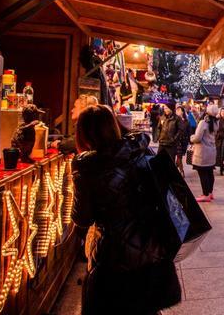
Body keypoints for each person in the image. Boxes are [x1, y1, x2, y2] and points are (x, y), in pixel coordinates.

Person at [71, 105, 181, 314]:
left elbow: (82, 217)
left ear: (84, 134)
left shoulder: (87, 166)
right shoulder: (140, 150)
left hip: (115, 257)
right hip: (152, 249)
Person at [191, 104, 219, 202]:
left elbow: (197, 138)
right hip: (211, 151)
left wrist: (191, 137)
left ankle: (205, 194)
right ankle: (210, 193)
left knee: (203, 173)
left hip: (202, 152)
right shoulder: (215, 122)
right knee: (209, 172)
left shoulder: (204, 122)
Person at [174, 105, 190, 176]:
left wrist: (190, 141)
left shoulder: (186, 121)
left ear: (183, 112)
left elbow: (189, 131)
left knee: (179, 156)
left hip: (183, 141)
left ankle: (175, 168)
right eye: (177, 110)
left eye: (179, 110)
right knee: (179, 156)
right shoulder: (174, 120)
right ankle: (181, 171)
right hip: (176, 141)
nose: (178, 112)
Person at [215, 107, 224, 176]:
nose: (223, 113)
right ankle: (221, 169)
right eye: (222, 112)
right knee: (220, 155)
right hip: (219, 140)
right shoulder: (218, 120)